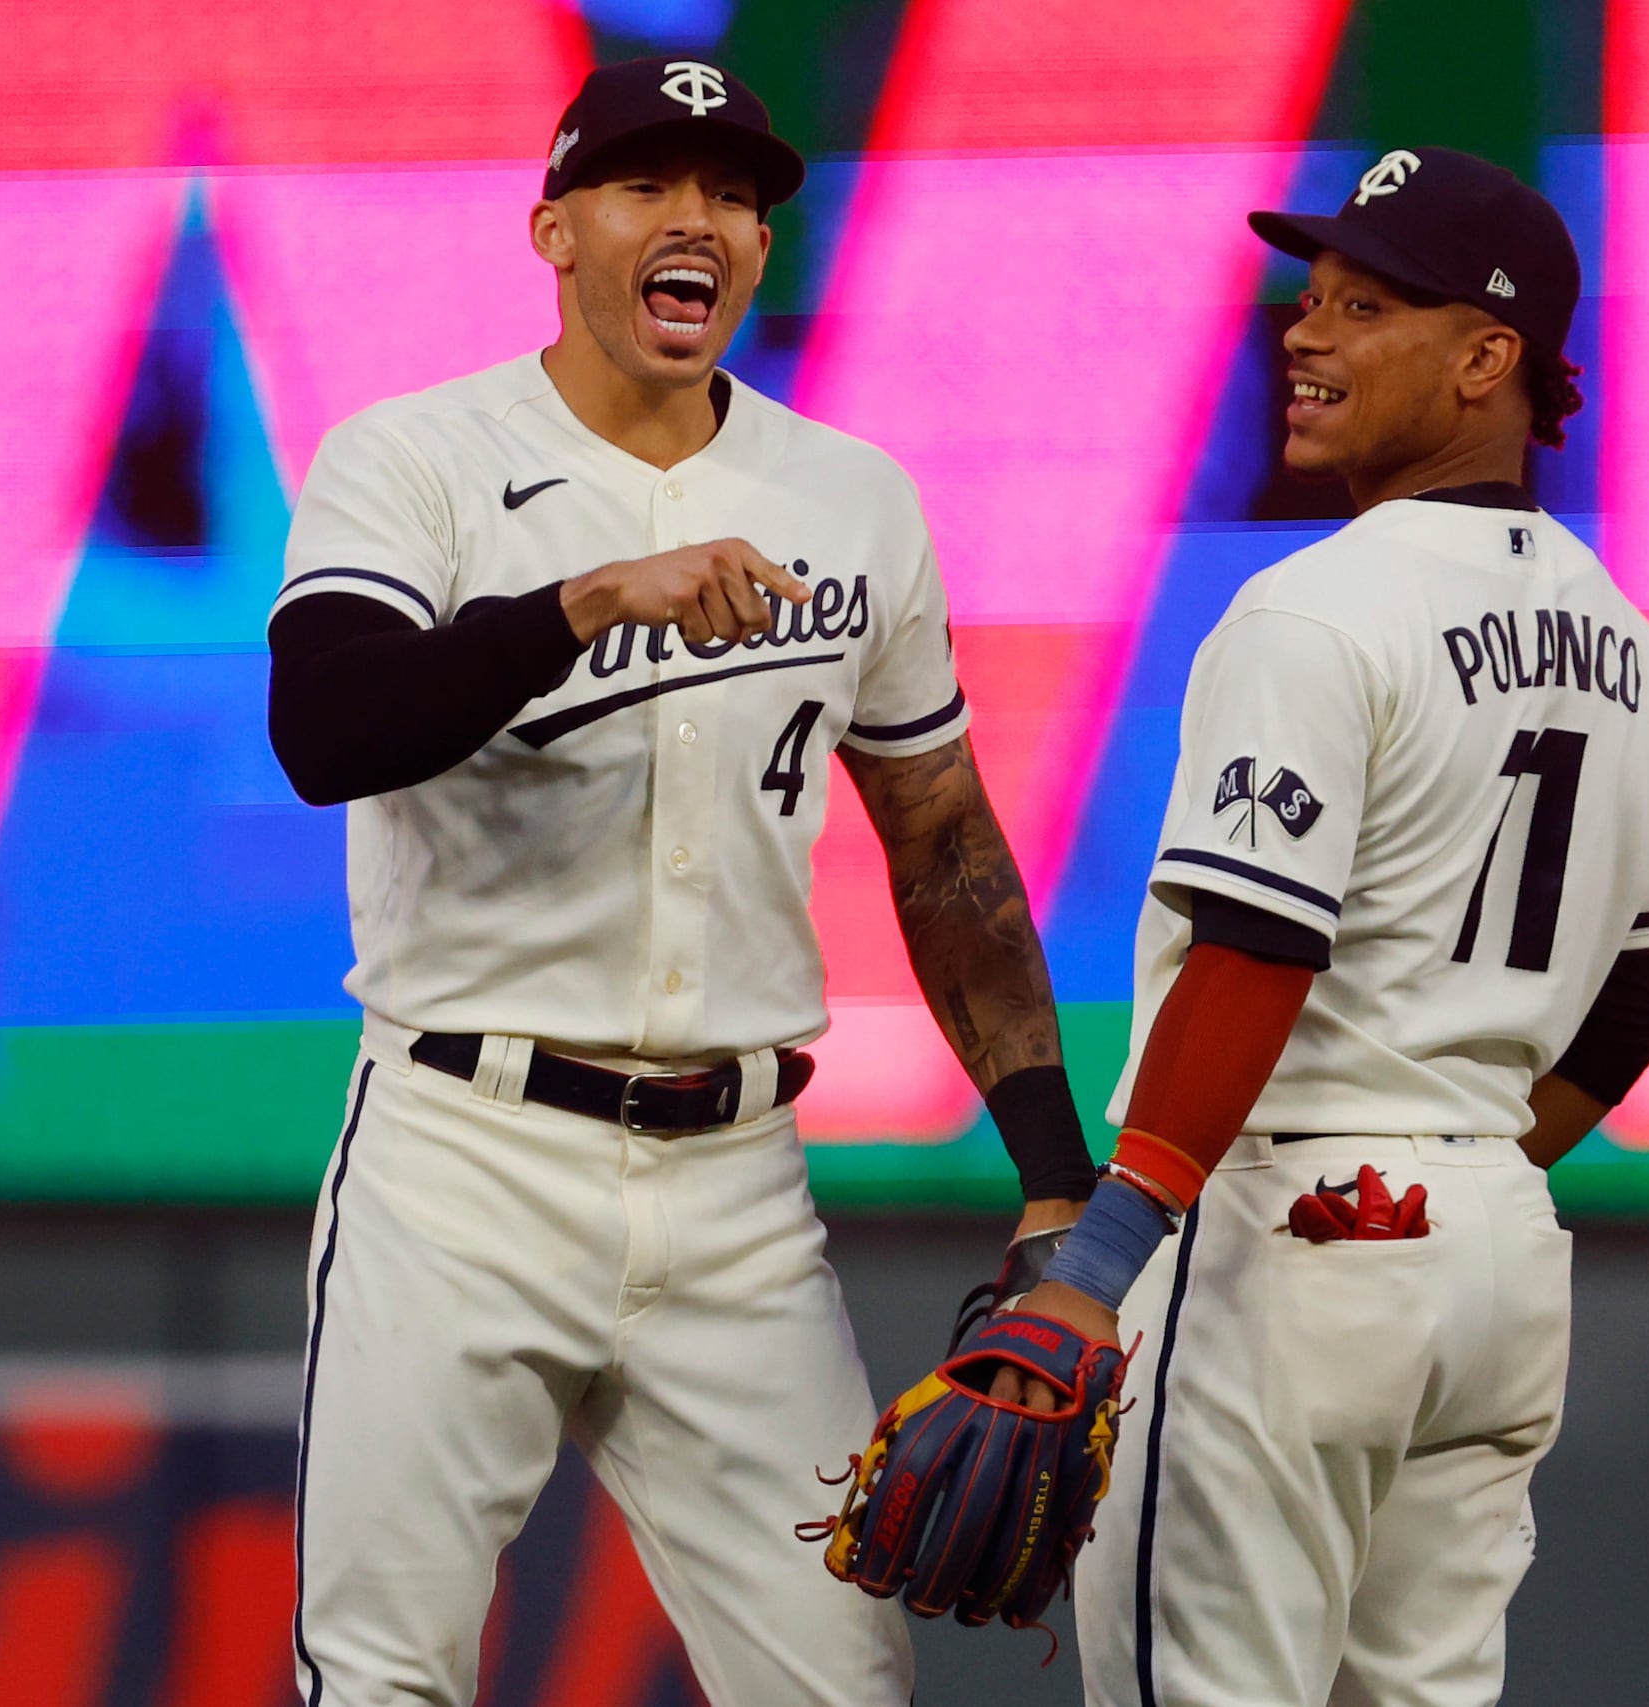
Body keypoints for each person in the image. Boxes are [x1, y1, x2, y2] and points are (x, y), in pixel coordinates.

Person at [264, 57, 1099, 1707]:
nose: (698, 219)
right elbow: (327, 727)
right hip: (462, 1156)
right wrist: (582, 600)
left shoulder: (852, 499)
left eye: (734, 194)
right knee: (382, 1682)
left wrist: (1055, 1172)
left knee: (841, 1686)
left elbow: (941, 839)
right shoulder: (415, 461)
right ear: (556, 229)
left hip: (736, 1190)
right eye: (650, 183)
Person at [1013, 147, 1649, 1705]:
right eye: (1311, 296)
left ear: (1491, 361)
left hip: (1292, 1237)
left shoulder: (1316, 611)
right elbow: (1645, 1000)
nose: (1305, 333)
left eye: (1369, 306)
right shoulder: (1637, 648)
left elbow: (1261, 949)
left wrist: (1096, 1262)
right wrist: (1466, 1175)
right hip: (1492, 1249)